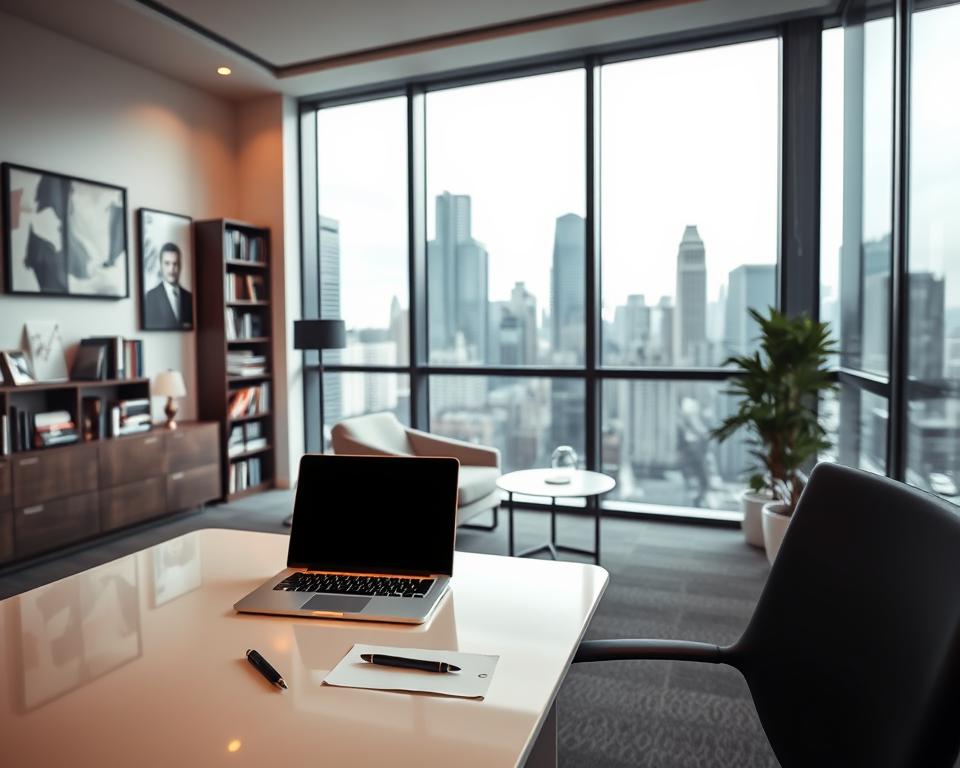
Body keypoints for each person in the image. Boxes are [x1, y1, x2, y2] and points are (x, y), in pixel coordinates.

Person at [144, 242, 193, 329]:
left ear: (180, 265)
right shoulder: (151, 297)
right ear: (160, 265)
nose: (172, 269)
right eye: (167, 263)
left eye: (175, 264)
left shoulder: (189, 297)